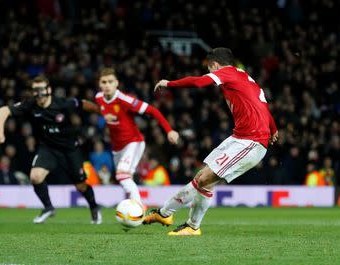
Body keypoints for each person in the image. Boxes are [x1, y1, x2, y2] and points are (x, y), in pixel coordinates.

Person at [143, 47, 278, 235]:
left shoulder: (227, 72)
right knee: (203, 179)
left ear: (214, 65)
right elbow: (262, 105)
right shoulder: (246, 78)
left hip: (251, 141)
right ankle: (173, 217)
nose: (210, 73)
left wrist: (170, 83)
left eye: (210, 69)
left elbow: (199, 83)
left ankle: (177, 218)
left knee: (204, 178)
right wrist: (273, 128)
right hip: (240, 137)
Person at [0, 75, 102, 224]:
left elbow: (82, 104)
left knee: (81, 185)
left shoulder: (63, 104)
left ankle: (94, 208)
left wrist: (100, 110)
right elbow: (3, 111)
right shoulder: (31, 104)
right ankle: (48, 207)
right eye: (35, 90)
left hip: (69, 149)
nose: (38, 94)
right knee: (35, 177)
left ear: (49, 90)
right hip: (48, 149)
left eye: (41, 90)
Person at [95, 68, 179, 205]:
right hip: (117, 148)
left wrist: (169, 130)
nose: (107, 85)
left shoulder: (125, 100)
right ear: (99, 84)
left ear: (116, 83)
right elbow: (101, 109)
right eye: (104, 82)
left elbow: (152, 110)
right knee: (125, 178)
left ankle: (138, 208)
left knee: (122, 175)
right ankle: (131, 207)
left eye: (110, 81)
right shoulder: (99, 98)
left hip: (133, 142)